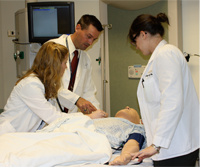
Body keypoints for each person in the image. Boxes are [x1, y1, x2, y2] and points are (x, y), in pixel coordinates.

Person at [128, 13, 199, 166]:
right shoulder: (159, 56)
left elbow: (172, 102)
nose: (137, 47)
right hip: (168, 147)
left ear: (143, 34)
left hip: (176, 148)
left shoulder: (166, 53)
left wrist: (156, 145)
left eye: (135, 42)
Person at [0, 41, 108, 136]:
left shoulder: (44, 85)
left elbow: (58, 102)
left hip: (22, 136)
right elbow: (54, 117)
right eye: (65, 63)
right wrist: (89, 117)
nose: (66, 67)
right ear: (55, 65)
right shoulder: (31, 85)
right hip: (7, 136)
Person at [38, 106, 146, 166]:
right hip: (73, 130)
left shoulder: (135, 127)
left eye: (131, 108)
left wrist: (125, 155)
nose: (127, 106)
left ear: (140, 121)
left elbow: (133, 142)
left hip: (86, 139)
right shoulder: (103, 121)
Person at [49, 14, 104, 114]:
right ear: (78, 28)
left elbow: (89, 92)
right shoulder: (53, 48)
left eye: (94, 39)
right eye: (89, 36)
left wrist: (97, 112)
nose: (91, 42)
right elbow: (50, 84)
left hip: (70, 119)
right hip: (50, 113)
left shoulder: (86, 59)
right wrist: (77, 99)